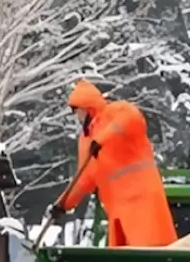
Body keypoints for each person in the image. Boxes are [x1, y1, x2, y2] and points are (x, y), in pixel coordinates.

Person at [50, 79, 178, 247]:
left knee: (150, 253)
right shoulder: (86, 142)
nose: (77, 118)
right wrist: (63, 204)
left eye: (77, 111)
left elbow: (131, 119)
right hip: (117, 209)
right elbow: (83, 179)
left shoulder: (116, 112)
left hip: (142, 201)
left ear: (87, 108)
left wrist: (102, 139)